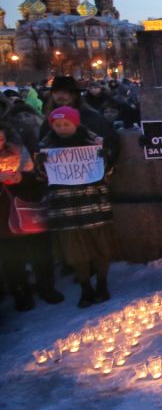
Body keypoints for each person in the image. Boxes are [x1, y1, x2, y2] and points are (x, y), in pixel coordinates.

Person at [38, 106, 113, 307]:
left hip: (92, 204)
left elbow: (108, 171)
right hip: (64, 208)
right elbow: (41, 178)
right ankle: (85, 288)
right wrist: (42, 165)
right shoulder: (45, 147)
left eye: (66, 124)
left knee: (100, 248)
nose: (62, 128)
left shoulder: (93, 143)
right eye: (58, 125)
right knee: (75, 252)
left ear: (75, 123)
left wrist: (104, 155)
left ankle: (102, 284)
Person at [1, 122, 62, 310]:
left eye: (1, 139)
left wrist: (21, 179)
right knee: (11, 258)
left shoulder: (21, 153)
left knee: (40, 252)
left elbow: (39, 178)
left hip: (28, 211)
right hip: (3, 220)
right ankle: (21, 293)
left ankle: (47, 287)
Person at [42, 76, 120, 169]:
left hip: (91, 176)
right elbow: (41, 146)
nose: (60, 96)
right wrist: (42, 159)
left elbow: (112, 143)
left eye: (65, 92)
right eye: (56, 92)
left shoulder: (93, 118)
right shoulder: (48, 122)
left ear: (75, 95)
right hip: (61, 178)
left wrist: (106, 153)